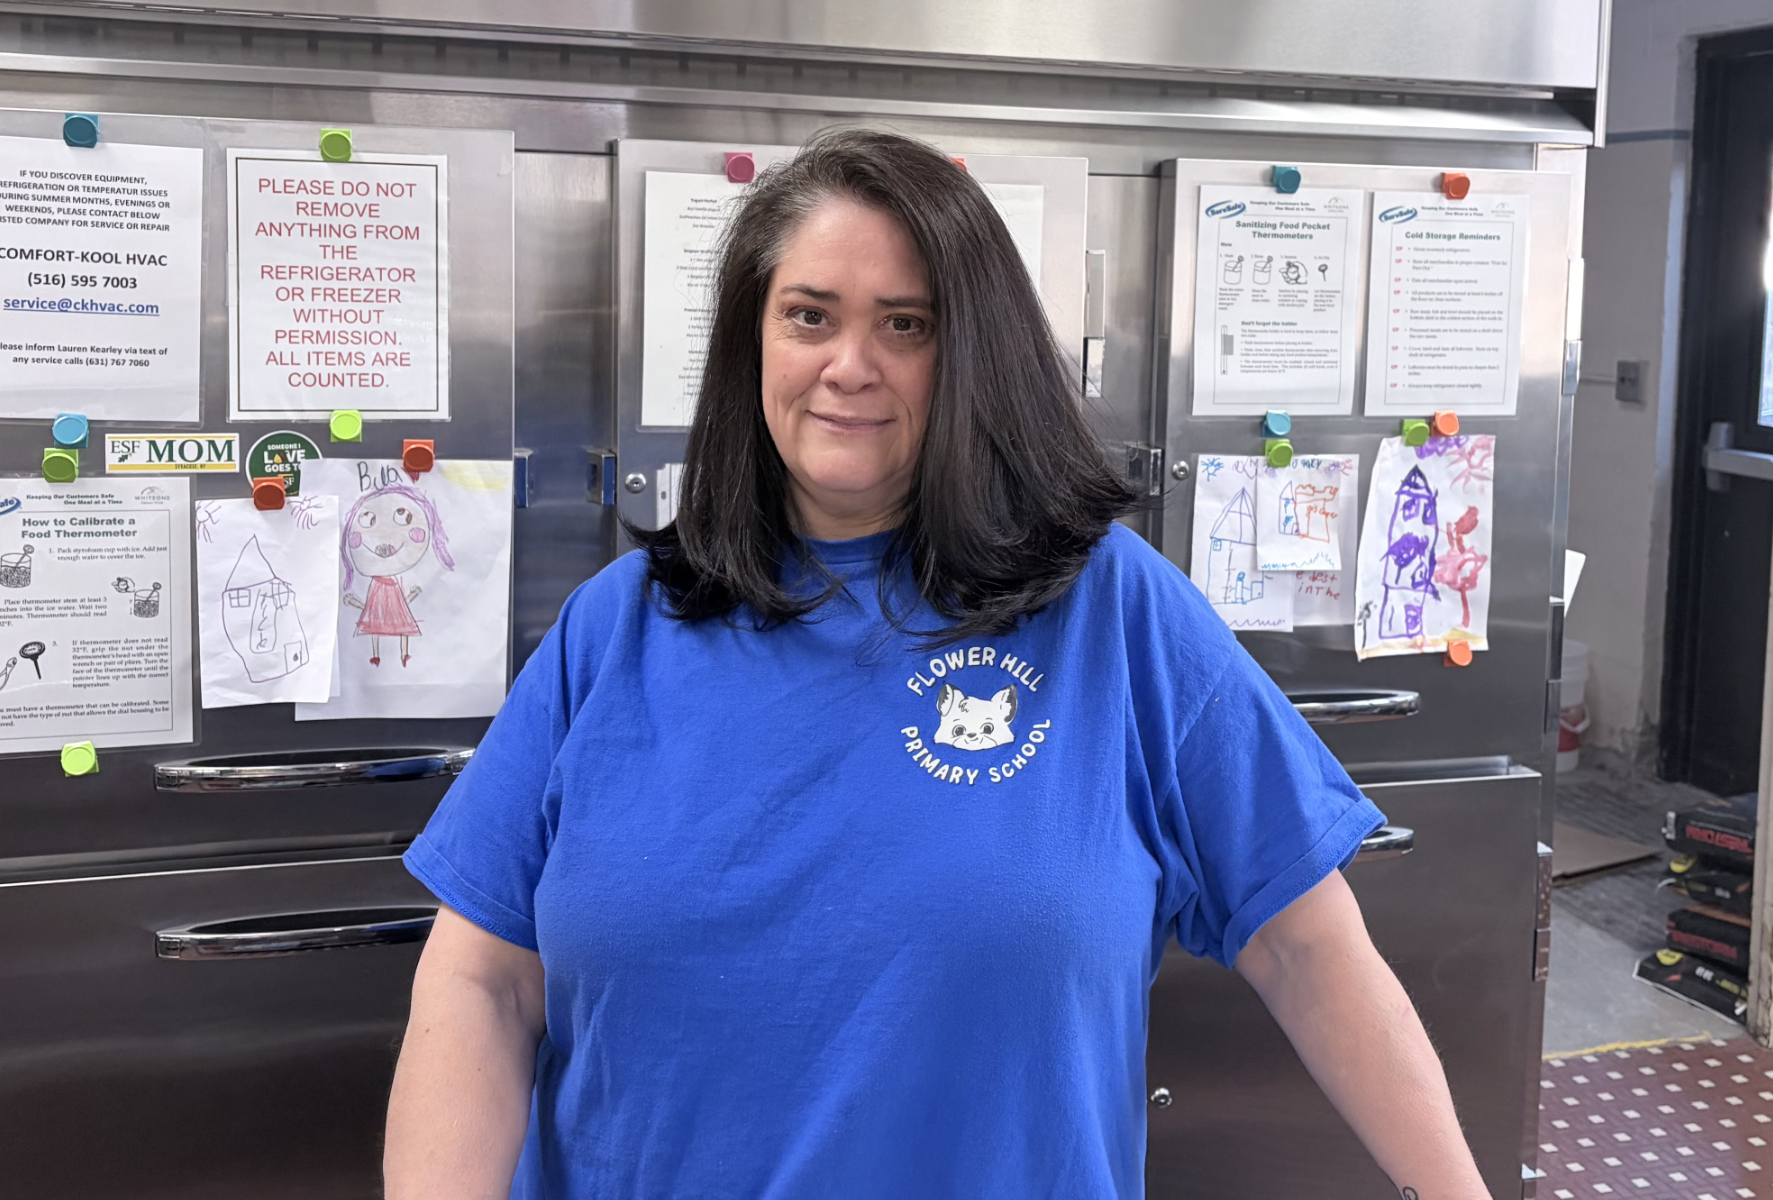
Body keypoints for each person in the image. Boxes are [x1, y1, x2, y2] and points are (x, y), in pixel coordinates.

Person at [385, 128, 1489, 1200]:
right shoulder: (615, 628)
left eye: (905, 324)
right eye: (808, 315)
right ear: (752, 341)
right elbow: (484, 979)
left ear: (973, 357)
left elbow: (1310, 952)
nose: (848, 367)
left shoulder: (1112, 613)